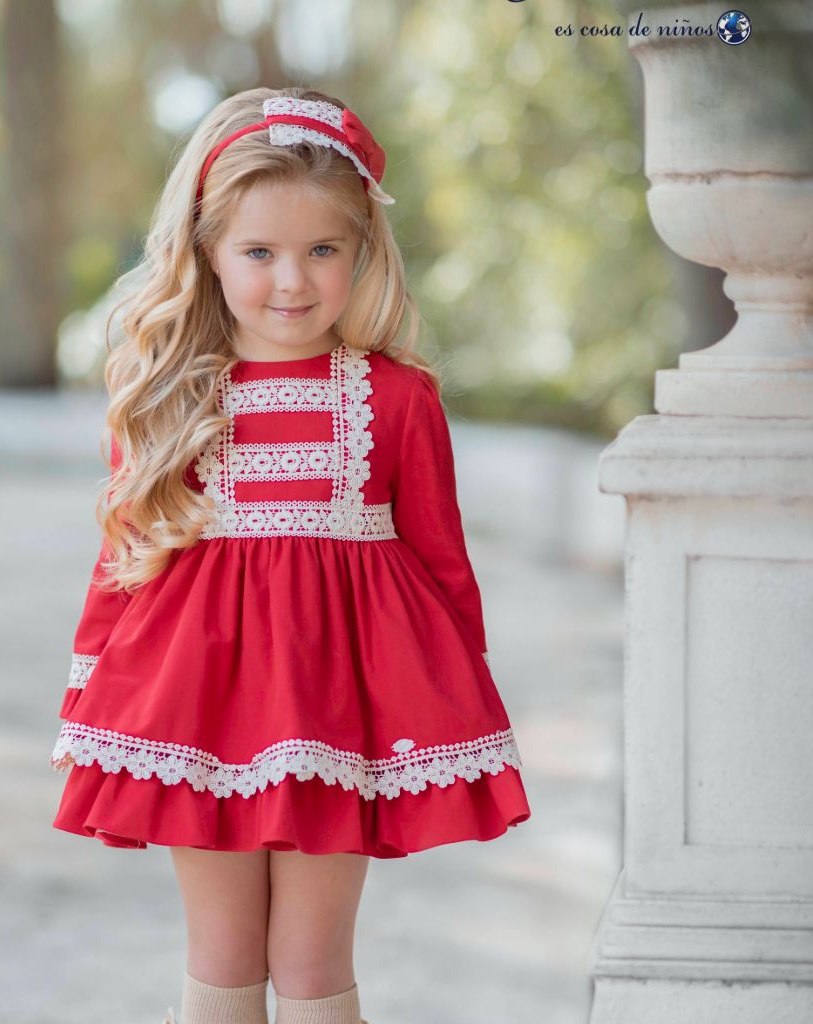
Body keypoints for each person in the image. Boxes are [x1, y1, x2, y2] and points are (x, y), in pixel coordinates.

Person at [48, 86, 531, 1024]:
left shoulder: (399, 400)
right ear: (209, 254)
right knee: (222, 958)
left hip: (337, 717)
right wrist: (86, 691)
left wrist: (455, 694)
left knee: (312, 965)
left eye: (323, 251)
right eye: (259, 252)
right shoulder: (169, 400)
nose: (292, 282)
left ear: (362, 252)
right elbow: (124, 562)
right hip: (199, 710)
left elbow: (440, 565)